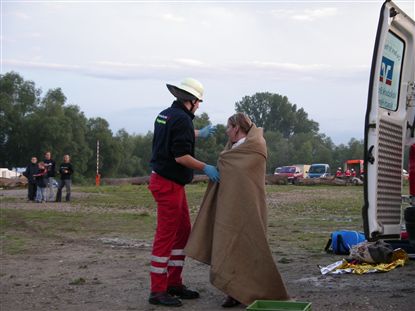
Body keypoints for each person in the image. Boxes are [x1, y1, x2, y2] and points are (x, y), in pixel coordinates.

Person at [185, 112, 290, 308]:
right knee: (227, 246)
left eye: (228, 127)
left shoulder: (255, 149)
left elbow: (248, 179)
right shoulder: (231, 150)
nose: (226, 131)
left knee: (249, 247)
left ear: (236, 128)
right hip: (229, 210)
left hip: (249, 208)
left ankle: (249, 291)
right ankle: (232, 292)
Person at [148, 77, 219, 307]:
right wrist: (205, 167)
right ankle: (158, 290)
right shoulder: (182, 120)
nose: (198, 105)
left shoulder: (166, 114)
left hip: (167, 182)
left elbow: (177, 133)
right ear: (190, 100)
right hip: (168, 183)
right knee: (166, 236)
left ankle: (174, 283)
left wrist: (198, 133)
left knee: (182, 233)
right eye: (198, 101)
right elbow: (181, 156)